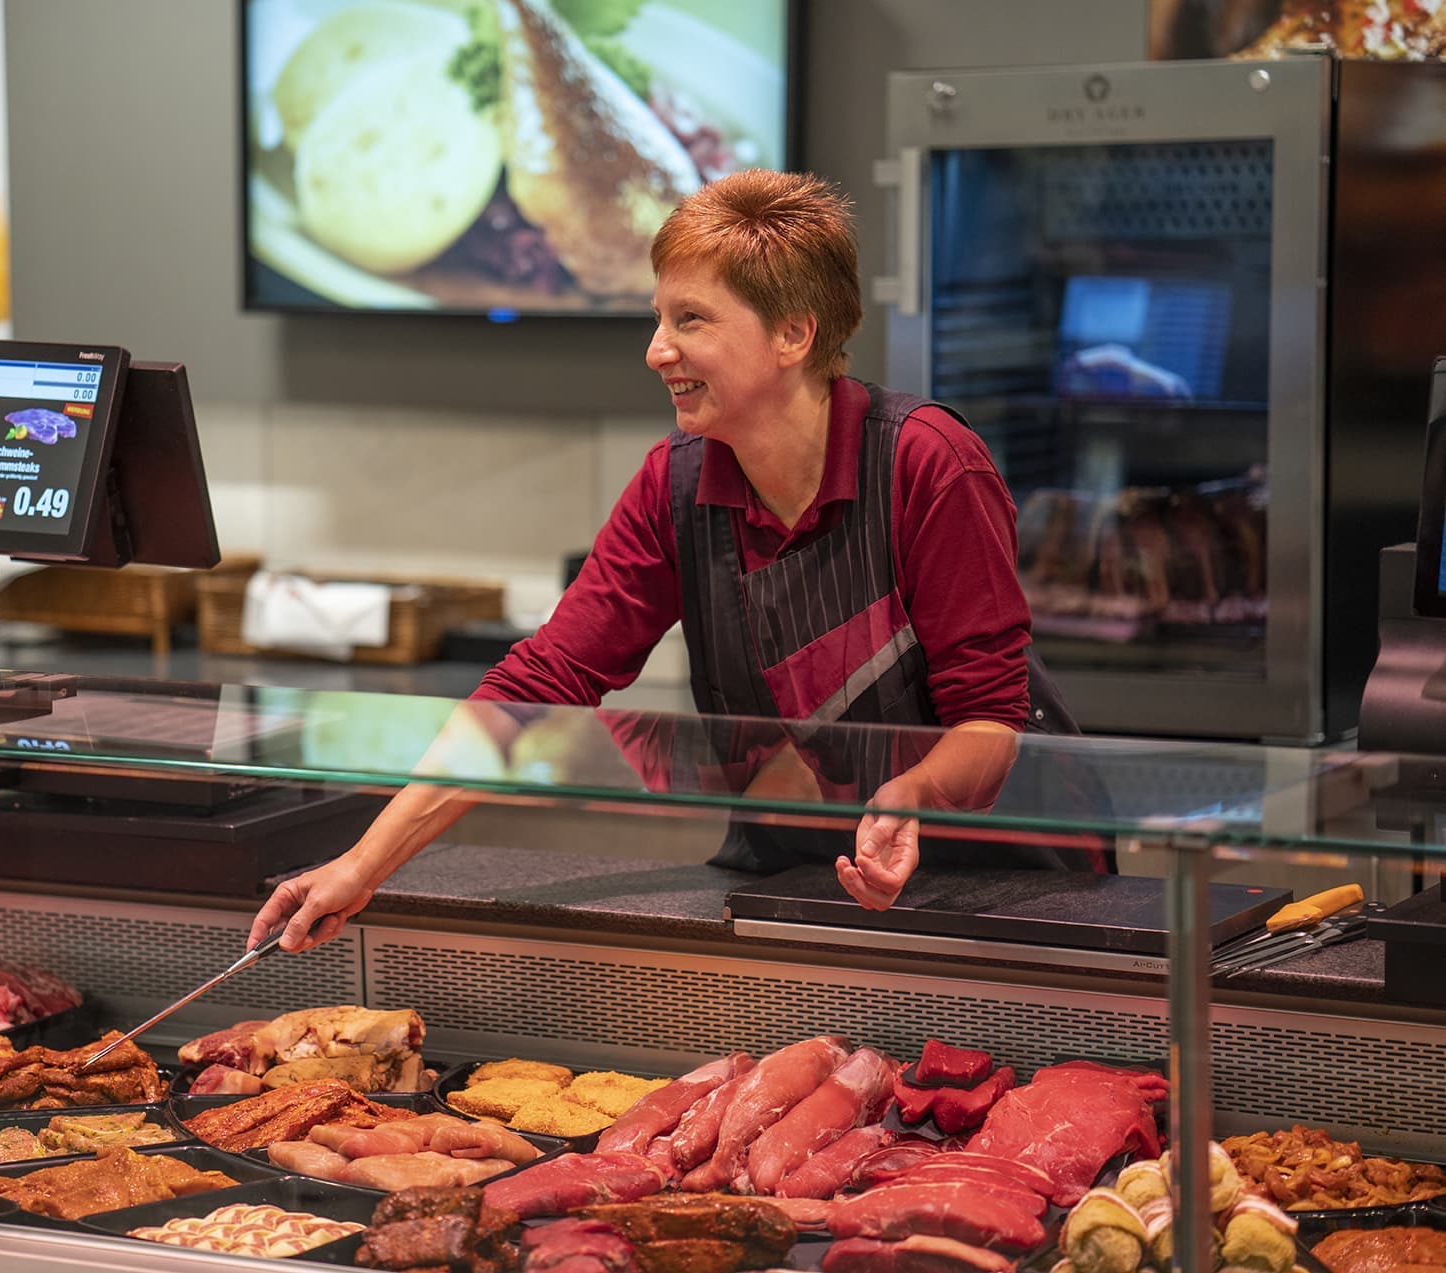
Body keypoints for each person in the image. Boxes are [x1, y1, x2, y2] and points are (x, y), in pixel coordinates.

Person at [250, 168, 1084, 953]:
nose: (657, 350)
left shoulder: (926, 461)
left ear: (794, 333)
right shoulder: (675, 485)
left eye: (691, 320)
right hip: (793, 884)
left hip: (999, 894)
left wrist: (911, 793)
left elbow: (990, 723)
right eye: (659, 318)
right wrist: (362, 864)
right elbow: (541, 682)